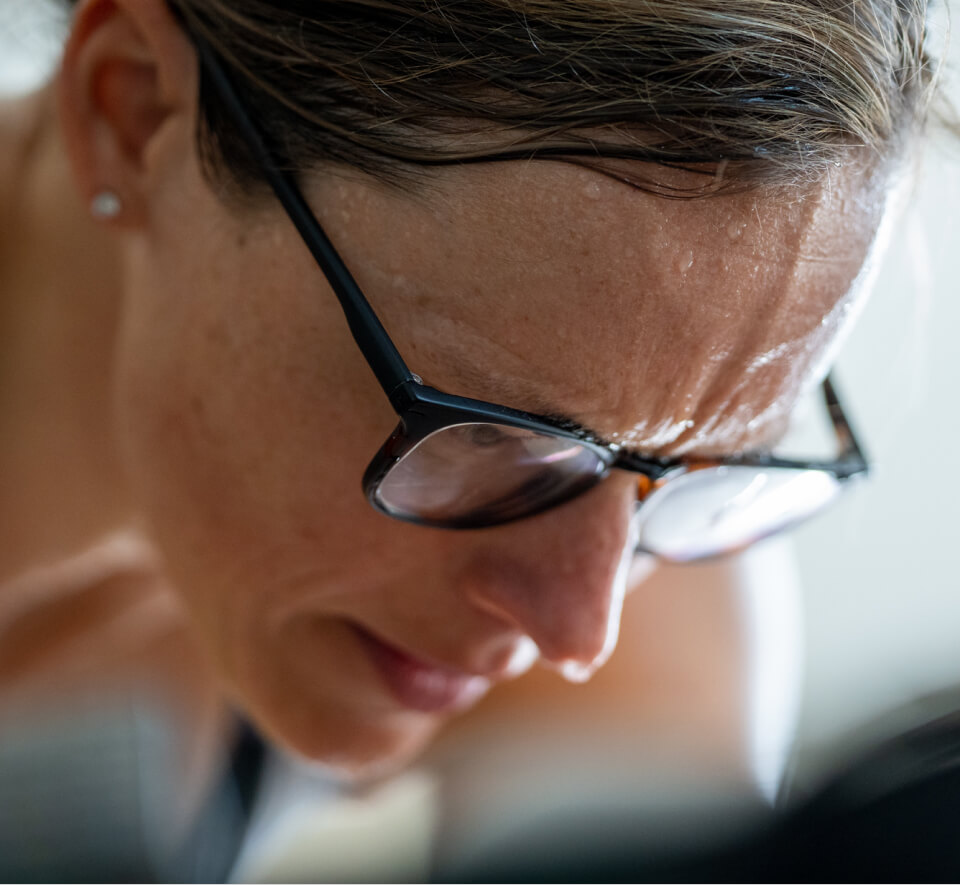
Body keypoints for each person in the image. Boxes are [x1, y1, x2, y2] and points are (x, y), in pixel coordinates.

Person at [0, 0, 941, 877]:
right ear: (135, 112)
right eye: (486, 437)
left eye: (714, 457)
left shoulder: (644, 525)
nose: (579, 629)